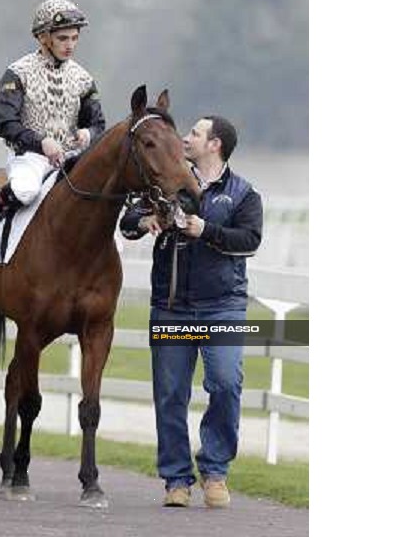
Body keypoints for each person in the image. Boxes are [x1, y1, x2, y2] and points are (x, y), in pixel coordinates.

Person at [119, 116, 263, 508]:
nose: (185, 138)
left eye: (195, 134)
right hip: (170, 309)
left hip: (224, 309)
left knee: (226, 383)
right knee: (169, 395)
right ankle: (176, 481)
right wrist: (145, 219)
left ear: (215, 144)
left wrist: (207, 231)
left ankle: (215, 472)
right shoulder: (164, 179)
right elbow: (127, 222)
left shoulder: (243, 194)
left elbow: (250, 241)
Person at [0, 0, 106, 244]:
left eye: (74, 38)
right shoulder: (17, 72)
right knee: (26, 191)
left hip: (71, 158)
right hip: (30, 157)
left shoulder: (84, 79)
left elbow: (98, 125)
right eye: (63, 38)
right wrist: (41, 142)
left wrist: (88, 134)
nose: (70, 45)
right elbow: (5, 123)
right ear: (44, 37)